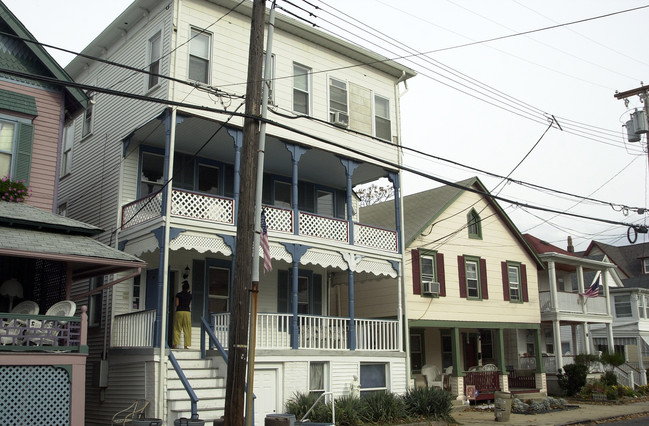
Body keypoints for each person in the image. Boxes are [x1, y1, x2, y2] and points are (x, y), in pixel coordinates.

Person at [173, 280, 192, 349]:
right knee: (187, 329)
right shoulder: (190, 295)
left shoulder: (178, 295)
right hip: (187, 312)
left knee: (177, 328)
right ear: (188, 288)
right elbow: (189, 304)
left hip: (179, 312)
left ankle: (175, 345)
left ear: (182, 287)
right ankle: (186, 346)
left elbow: (176, 304)